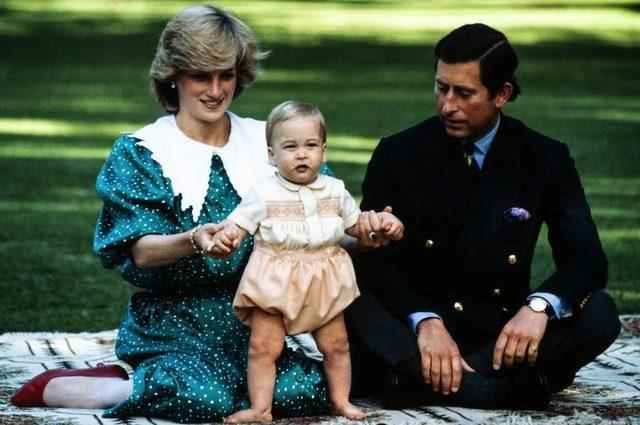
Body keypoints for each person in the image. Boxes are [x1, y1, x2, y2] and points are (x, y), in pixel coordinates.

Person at [11, 5, 336, 423]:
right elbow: (141, 252)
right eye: (201, 75)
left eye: (227, 75)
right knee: (203, 399)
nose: (216, 90)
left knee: (309, 390)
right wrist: (192, 239)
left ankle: (159, 383)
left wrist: (363, 228)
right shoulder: (141, 152)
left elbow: (325, 208)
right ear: (173, 76)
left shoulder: (270, 142)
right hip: (173, 321)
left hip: (256, 321)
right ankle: (109, 384)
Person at [347, 23, 621, 409]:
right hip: (414, 336)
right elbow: (376, 264)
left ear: (502, 94)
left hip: (497, 337)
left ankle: (420, 386)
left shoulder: (545, 158)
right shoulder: (398, 153)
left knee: (601, 313)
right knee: (343, 282)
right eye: (441, 88)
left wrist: (538, 307)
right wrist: (425, 320)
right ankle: (509, 391)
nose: (447, 105)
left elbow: (586, 259)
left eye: (464, 93)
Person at [211, 101, 404, 423]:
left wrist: (381, 225)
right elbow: (239, 223)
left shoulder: (335, 189)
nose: (302, 154)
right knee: (263, 347)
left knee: (337, 345)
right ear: (272, 155)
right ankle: (261, 408)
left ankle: (341, 401)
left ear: (323, 151)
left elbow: (356, 226)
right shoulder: (264, 192)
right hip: (275, 277)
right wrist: (227, 235)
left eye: (311, 145)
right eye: (290, 147)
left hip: (324, 277)